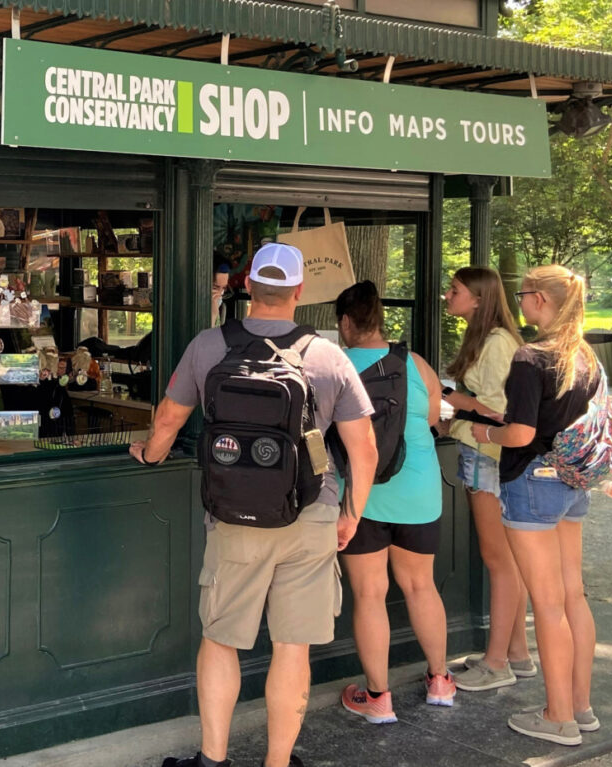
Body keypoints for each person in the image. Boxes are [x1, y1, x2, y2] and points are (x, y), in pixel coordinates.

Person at [138, 243, 377, 767]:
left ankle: (213, 759)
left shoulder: (208, 346)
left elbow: (167, 422)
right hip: (311, 511)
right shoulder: (327, 355)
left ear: (247, 287)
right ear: (298, 292)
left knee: (222, 639)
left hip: (233, 516)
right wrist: (351, 514)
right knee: (293, 647)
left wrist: (150, 456)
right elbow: (364, 450)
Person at [471, 265, 601, 746]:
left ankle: (557, 716)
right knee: (573, 597)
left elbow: (521, 433)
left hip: (530, 482)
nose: (519, 301)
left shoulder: (530, 358)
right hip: (573, 481)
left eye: (523, 294)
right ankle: (580, 707)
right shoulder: (584, 355)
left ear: (541, 300)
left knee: (546, 605)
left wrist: (485, 432)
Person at [329, 281, 455, 725]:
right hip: (419, 490)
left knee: (369, 594)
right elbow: (435, 417)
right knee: (422, 586)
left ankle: (378, 697)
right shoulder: (415, 364)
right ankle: (440, 680)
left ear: (346, 322)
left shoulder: (335, 364)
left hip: (361, 496)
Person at [441, 267, 536, 693]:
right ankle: (516, 651)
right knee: (507, 560)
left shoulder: (497, 342)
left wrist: (456, 402)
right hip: (484, 451)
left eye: (455, 290)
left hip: (487, 454)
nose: (447, 295)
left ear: (478, 299)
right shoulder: (492, 338)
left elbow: (499, 410)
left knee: (498, 560)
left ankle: (497, 663)